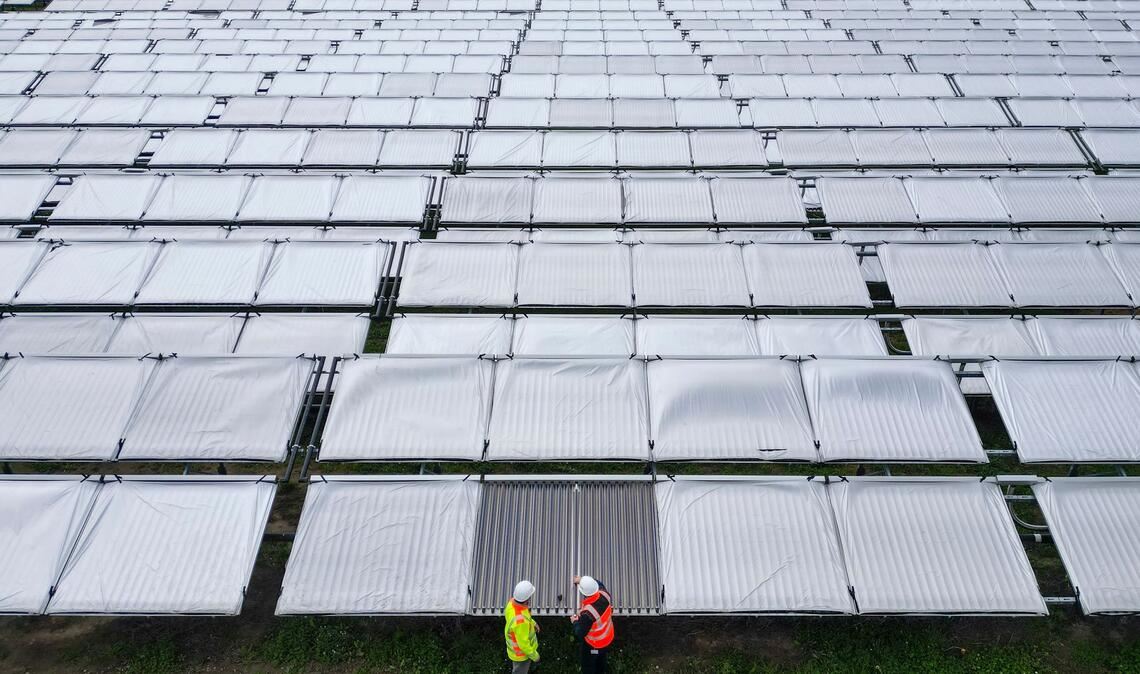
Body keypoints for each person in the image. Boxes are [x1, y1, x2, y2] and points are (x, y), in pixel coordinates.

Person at [570, 575, 613, 674]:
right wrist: (582, 580)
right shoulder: (605, 595)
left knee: (588, 667)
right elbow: (599, 584)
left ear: (583, 593)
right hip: (606, 639)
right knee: (601, 663)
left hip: (593, 645)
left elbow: (580, 633)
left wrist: (575, 621)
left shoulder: (588, 613)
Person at [504, 580, 540, 673]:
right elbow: (524, 645)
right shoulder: (521, 622)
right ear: (527, 599)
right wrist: (535, 656)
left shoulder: (511, 604)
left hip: (514, 651)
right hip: (521, 656)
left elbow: (522, 616)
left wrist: (533, 623)